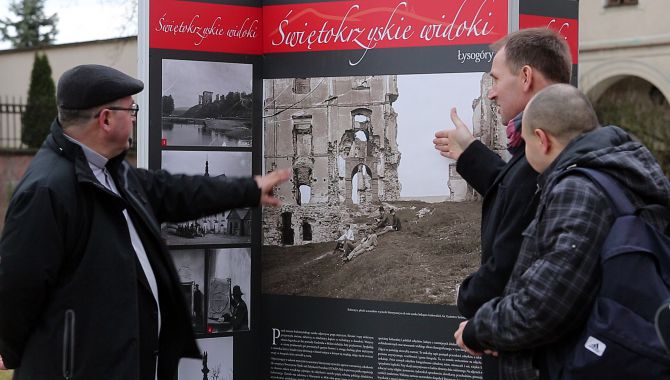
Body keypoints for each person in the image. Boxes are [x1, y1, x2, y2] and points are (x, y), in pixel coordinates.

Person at [0, 64, 290, 379]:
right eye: (131, 108)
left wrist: (248, 189)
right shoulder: (49, 190)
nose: (135, 116)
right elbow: (18, 283)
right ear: (106, 118)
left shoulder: (110, 171)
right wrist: (7, 345)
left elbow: (176, 192)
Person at [454, 84, 670, 379]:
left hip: (575, 364)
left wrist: (479, 330)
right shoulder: (620, 172)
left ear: (542, 140)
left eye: (527, 144)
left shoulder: (579, 190)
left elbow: (544, 305)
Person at [433, 28, 572, 379]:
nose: (492, 92)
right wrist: (471, 152)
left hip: (525, 360)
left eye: (495, 79)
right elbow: (515, 186)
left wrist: (464, 296)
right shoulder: (557, 141)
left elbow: (505, 267)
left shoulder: (546, 157)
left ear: (525, 77)